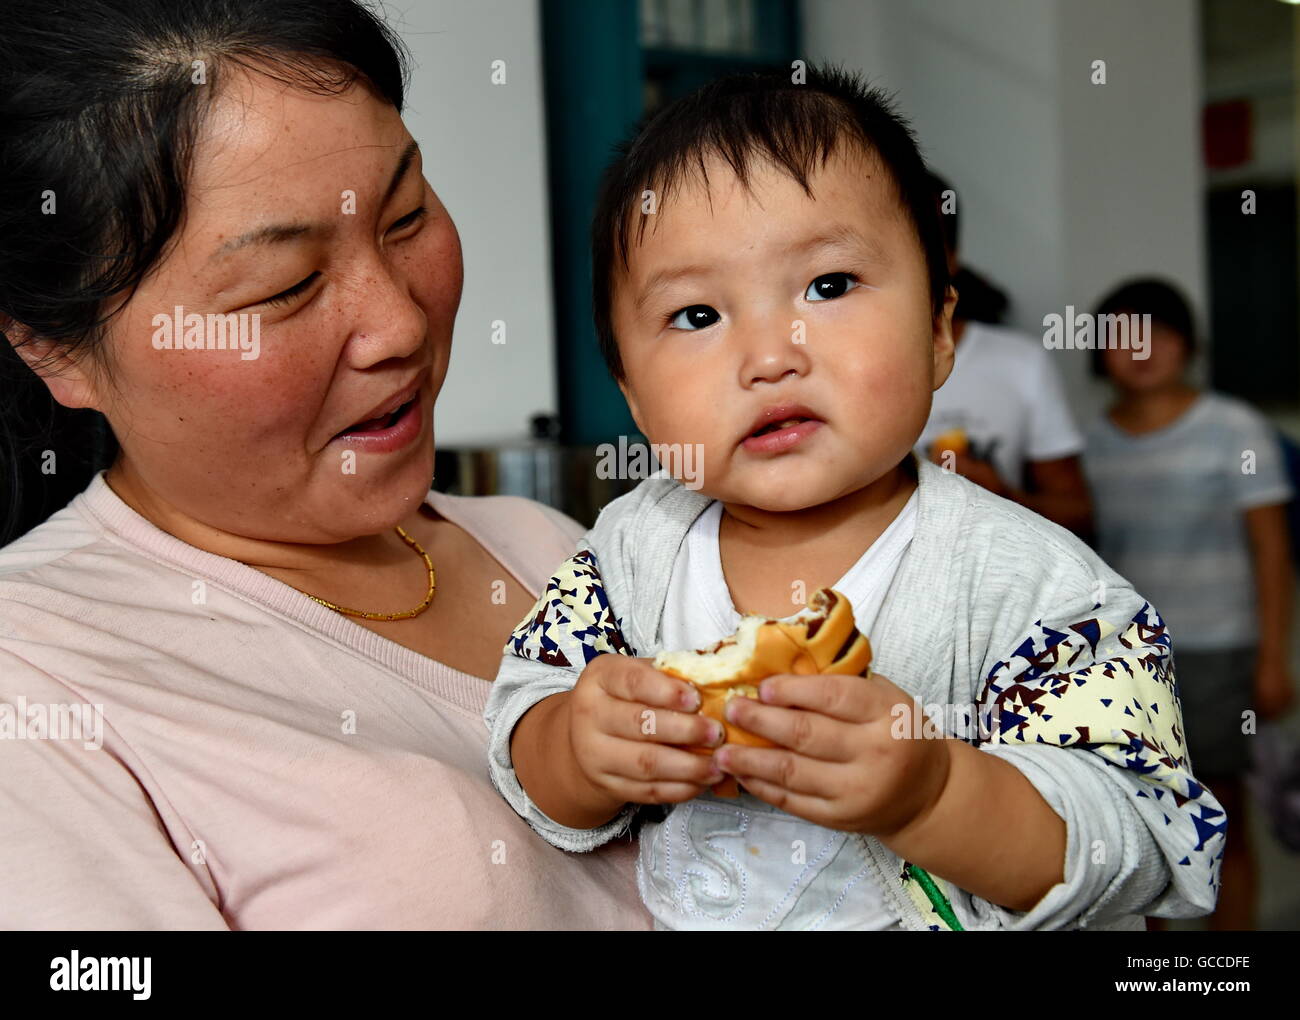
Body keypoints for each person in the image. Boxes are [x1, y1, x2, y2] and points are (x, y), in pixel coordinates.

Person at [483, 67, 1223, 930]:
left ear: (942, 332)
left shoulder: (1038, 585)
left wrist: (936, 792)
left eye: (827, 286)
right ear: (634, 396)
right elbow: (520, 720)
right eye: (695, 316)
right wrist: (577, 747)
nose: (770, 355)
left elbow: (1145, 832)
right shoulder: (628, 549)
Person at [0, 0, 649, 929]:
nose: (401, 325)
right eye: (286, 286)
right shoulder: (35, 689)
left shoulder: (549, 553)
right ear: (51, 348)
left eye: (406, 215)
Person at [1083, 277, 1295, 930]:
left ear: (1187, 346)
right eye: (1122, 336)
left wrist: (1272, 660)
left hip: (1218, 649)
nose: (1141, 350)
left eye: (1159, 334)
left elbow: (1271, 550)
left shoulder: (1234, 428)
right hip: (1125, 660)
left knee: (1219, 810)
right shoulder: (1084, 444)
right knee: (1142, 818)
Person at [916, 172, 1093, 537]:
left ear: (952, 257)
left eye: (923, 245)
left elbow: (1080, 515)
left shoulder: (1021, 363)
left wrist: (1003, 496)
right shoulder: (825, 365)